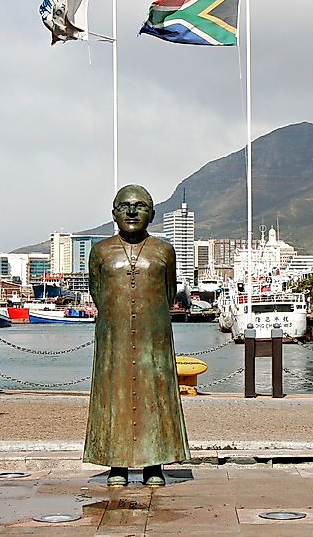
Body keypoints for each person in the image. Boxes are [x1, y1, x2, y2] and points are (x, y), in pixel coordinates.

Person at [84, 184, 189, 487]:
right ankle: (116, 463)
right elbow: (98, 293)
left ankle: (153, 462)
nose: (132, 211)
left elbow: (168, 292)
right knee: (112, 395)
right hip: (113, 338)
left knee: (154, 397)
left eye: (140, 205)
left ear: (152, 214)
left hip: (152, 339)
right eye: (125, 206)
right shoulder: (100, 251)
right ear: (114, 214)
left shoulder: (163, 251)